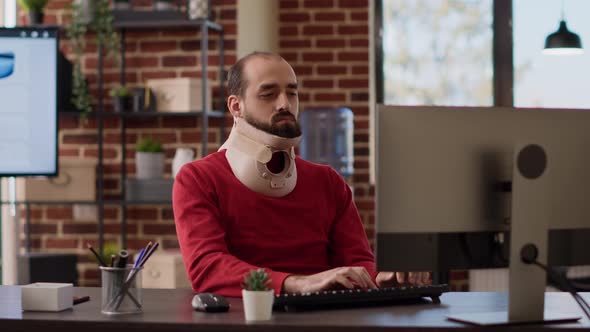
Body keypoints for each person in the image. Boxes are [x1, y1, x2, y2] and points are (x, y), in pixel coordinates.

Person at [173, 52, 429, 297]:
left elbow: (357, 261)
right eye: (269, 94)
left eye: (292, 93)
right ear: (236, 106)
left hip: (322, 318)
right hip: (244, 318)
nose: (285, 104)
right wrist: (295, 283)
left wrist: (382, 278)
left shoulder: (327, 181)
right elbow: (207, 268)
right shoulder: (197, 179)